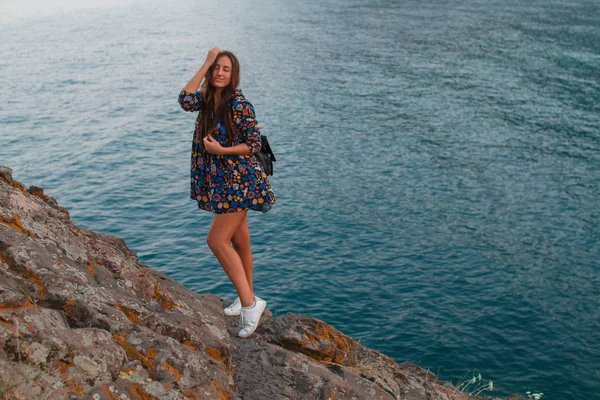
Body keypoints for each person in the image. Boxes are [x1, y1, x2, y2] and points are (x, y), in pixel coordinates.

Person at [177, 47, 276, 338]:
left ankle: (249, 305)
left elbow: (254, 144)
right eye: (216, 68)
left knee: (217, 240)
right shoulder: (208, 99)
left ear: (234, 75)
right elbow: (184, 99)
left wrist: (221, 150)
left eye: (225, 69)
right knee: (240, 240)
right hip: (222, 182)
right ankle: (246, 295)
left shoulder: (239, 104)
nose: (220, 73)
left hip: (239, 181)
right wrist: (205, 61)